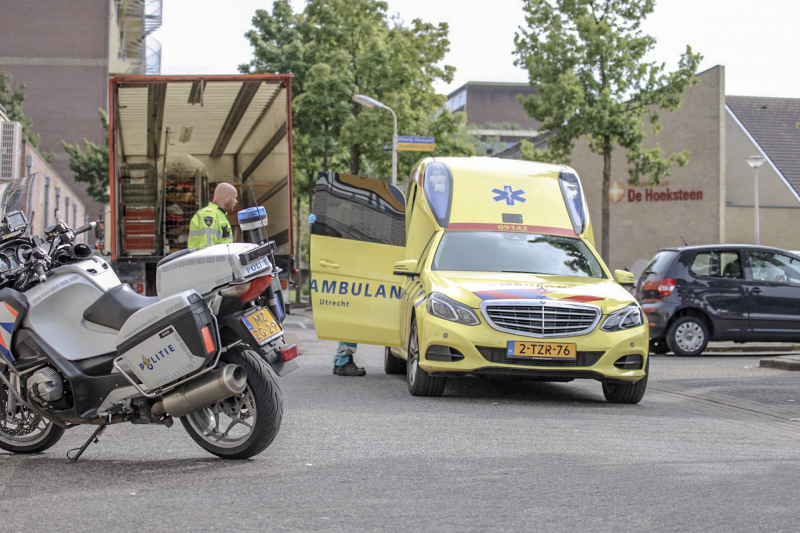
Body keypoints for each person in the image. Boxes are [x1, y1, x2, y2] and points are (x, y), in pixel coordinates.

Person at [308, 213, 366, 377]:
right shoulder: (342, 227)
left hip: (340, 274)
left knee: (349, 318)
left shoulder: (333, 224)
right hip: (345, 275)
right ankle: (343, 361)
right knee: (350, 318)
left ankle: (342, 360)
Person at [188, 182, 238, 249]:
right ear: (226, 197)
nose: (236, 201)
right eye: (235, 198)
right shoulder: (209, 215)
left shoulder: (220, 215)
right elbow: (208, 248)